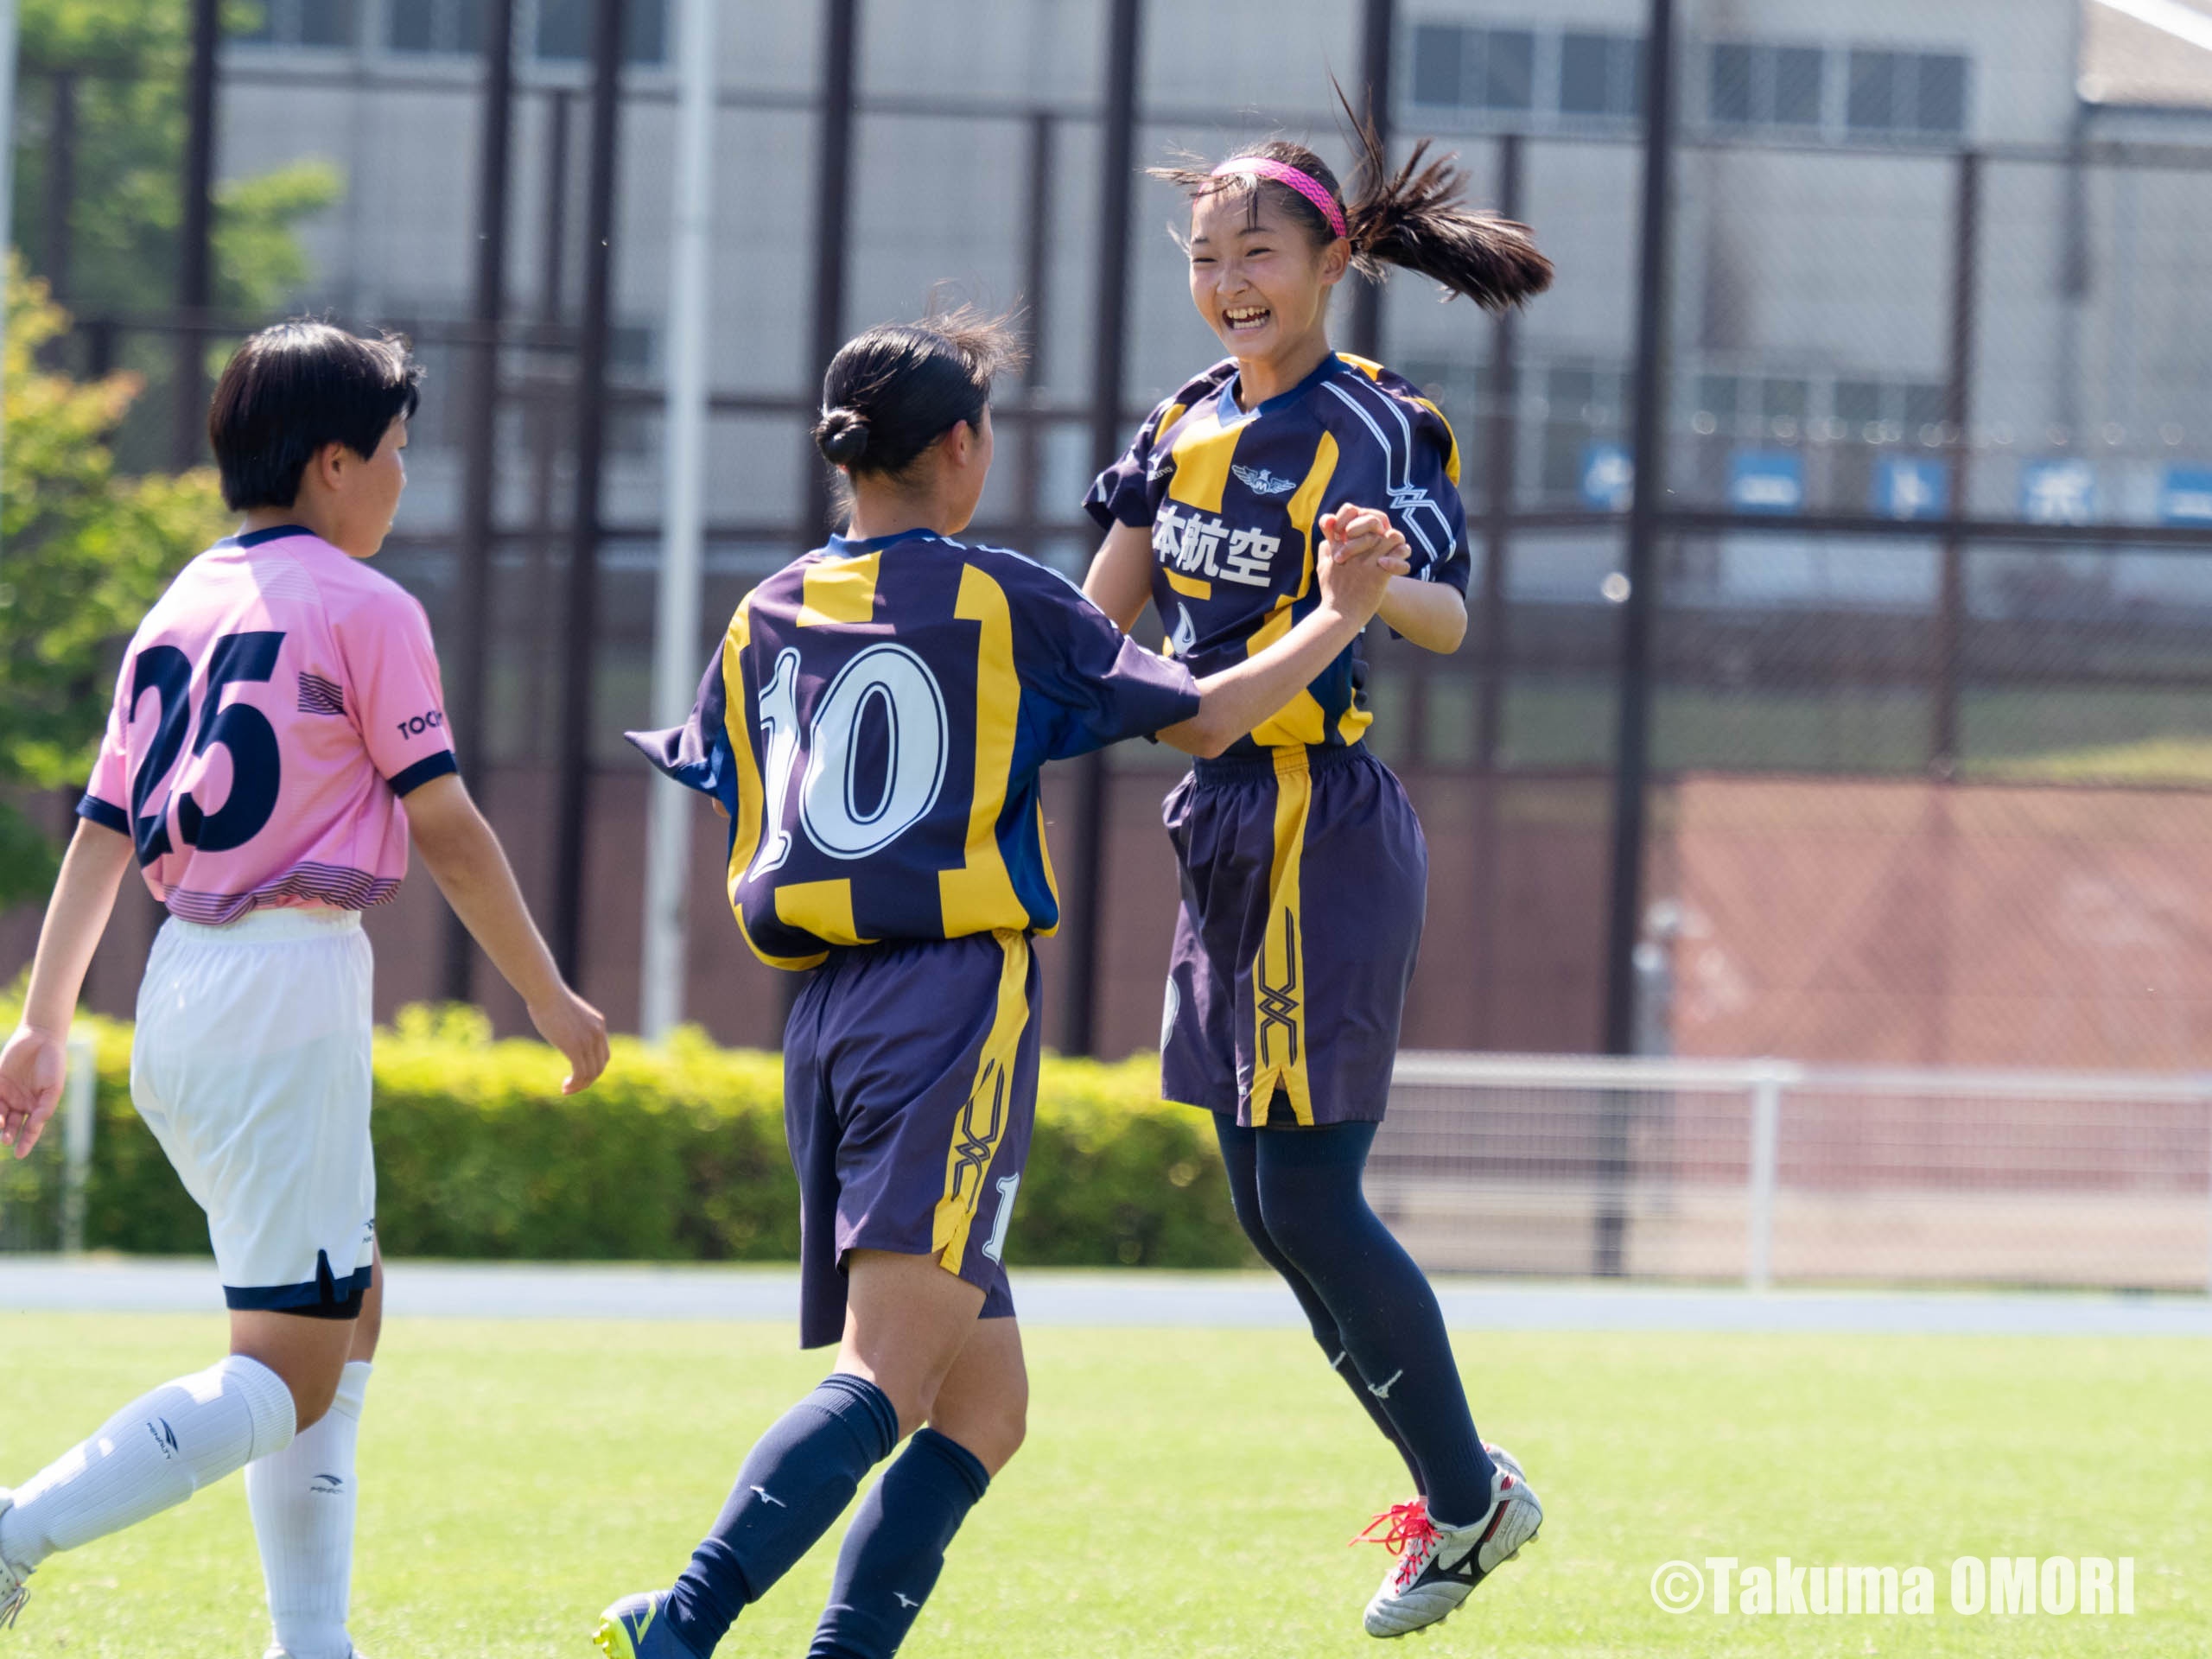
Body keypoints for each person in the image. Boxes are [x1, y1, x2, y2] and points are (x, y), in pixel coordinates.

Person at [596, 307, 1408, 1659]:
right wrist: (1339, 612)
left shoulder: (767, 609)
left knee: (983, 1411)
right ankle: (684, 1622)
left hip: (824, 1016)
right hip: (952, 1003)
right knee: (884, 1381)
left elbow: (730, 767)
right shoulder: (1000, 596)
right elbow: (1207, 715)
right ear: (962, 447)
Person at [0, 321, 609, 1654]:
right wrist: (552, 998)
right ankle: (12, 1533)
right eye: (397, 452)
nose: (404, 478)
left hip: (181, 990)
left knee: (347, 1301)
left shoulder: (186, 600)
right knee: (289, 1362)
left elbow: (102, 829)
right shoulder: (368, 607)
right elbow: (447, 827)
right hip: (284, 993)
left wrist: (42, 1025)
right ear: (334, 464)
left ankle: (312, 1640)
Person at [1080, 115, 1554, 1639]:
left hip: (1318, 823)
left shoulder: (1383, 421)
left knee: (1309, 1191)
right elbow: (1109, 618)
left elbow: (1450, 622)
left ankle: (1469, 1499)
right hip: (1220, 816)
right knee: (1266, 1205)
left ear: (1331, 259)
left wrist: (1373, 587)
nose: (1229, 281)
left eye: (1257, 254)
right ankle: (1468, 1494)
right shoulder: (1182, 420)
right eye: (1206, 258)